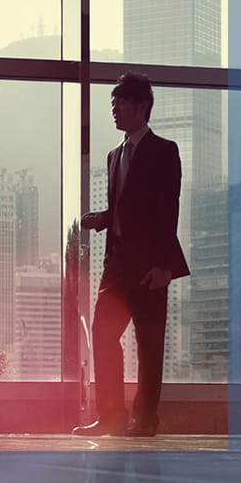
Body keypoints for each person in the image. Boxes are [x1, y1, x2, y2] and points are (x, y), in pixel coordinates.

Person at [75, 73, 190, 438]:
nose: (115, 110)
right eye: (113, 104)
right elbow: (127, 209)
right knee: (103, 335)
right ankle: (111, 415)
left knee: (149, 345)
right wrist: (103, 219)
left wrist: (164, 267)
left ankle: (146, 420)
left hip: (150, 268)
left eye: (121, 104)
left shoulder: (164, 151)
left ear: (143, 107)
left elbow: (165, 210)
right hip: (117, 266)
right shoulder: (114, 156)